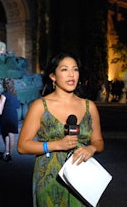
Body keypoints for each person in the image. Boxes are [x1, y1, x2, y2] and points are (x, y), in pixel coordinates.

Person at [17, 51, 104, 206]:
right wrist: (56, 145)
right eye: (64, 69)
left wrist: (91, 149)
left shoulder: (89, 106)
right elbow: (22, 146)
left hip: (82, 179)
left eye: (75, 69)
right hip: (49, 180)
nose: (71, 74)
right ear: (53, 76)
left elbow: (98, 142)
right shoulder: (40, 106)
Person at [0, 78, 21, 162]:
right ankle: (8, 153)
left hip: (6, 115)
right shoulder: (14, 94)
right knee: (10, 135)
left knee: (6, 134)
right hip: (13, 114)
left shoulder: (4, 94)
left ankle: (8, 152)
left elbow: (1, 105)